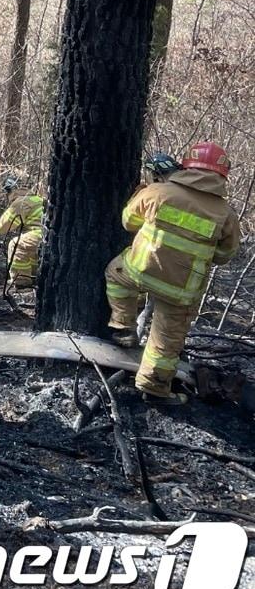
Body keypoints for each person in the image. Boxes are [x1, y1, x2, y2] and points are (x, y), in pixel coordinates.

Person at [106, 142, 241, 405]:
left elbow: (128, 222)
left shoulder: (158, 192)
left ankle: (123, 326)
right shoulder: (226, 214)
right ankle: (154, 388)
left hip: (140, 272)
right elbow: (225, 256)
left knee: (115, 275)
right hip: (181, 290)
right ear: (222, 175)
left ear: (187, 166)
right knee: (166, 341)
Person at [0, 184, 45, 291]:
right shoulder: (37, 199)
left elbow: (6, 223)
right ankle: (34, 276)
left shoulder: (21, 202)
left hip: (38, 233)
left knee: (16, 245)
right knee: (31, 250)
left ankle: (22, 283)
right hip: (45, 235)